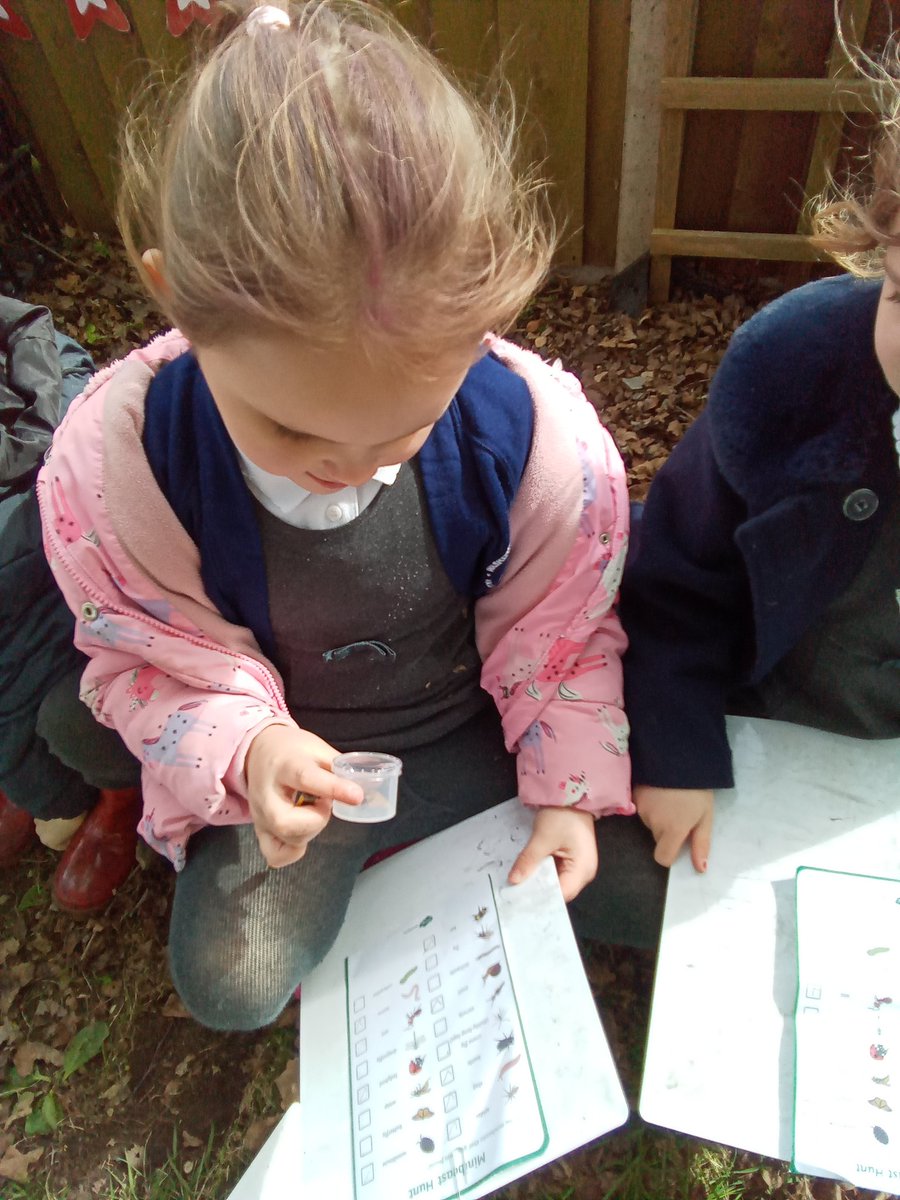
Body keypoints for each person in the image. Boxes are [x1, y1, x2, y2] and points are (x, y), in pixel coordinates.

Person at [37, 0, 661, 1031]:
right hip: (306, 765)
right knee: (232, 985)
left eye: (404, 430)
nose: (342, 471)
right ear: (177, 301)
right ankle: (360, 839)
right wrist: (247, 754)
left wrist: (566, 789)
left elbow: (560, 637)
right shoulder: (122, 471)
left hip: (484, 735)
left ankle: (456, 831)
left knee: (650, 881)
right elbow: (152, 656)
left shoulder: (533, 439)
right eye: (288, 431)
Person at [620, 47, 900, 876]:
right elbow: (671, 583)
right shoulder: (788, 373)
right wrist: (677, 750)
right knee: (645, 869)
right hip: (765, 715)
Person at [0, 296, 142, 913]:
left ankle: (112, 790)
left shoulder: (79, 409)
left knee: (68, 711)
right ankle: (39, 780)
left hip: (84, 632)